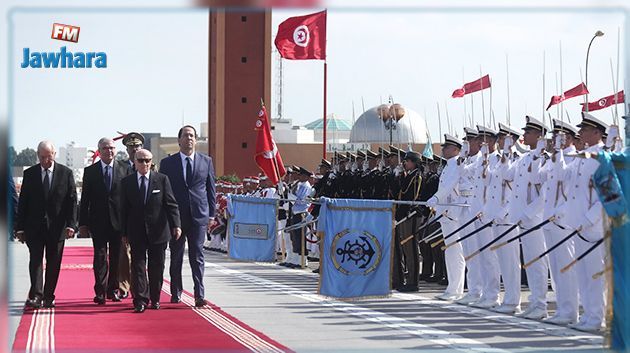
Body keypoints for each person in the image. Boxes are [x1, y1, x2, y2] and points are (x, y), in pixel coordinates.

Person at [556, 112, 608, 332]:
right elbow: (561, 176)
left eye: (585, 130)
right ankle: (588, 314)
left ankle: (597, 317)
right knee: (583, 273)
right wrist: (558, 152)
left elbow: (608, 194)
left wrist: (589, 219)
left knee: (595, 274)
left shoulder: (602, 158)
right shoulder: (582, 157)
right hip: (577, 225)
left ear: (597, 133)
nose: (580, 133)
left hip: (593, 227)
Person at [15, 141, 77, 309]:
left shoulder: (66, 173)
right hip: (34, 227)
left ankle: (49, 295)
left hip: (57, 228)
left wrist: (71, 224)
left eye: (48, 157)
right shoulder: (30, 174)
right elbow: (23, 203)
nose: (45, 161)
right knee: (35, 261)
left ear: (54, 154)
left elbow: (72, 201)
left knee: (54, 262)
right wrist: (19, 227)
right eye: (42, 157)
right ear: (38, 156)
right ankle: (36, 295)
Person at [159, 125, 216, 308]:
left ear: (196, 140)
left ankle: (199, 294)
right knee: (176, 255)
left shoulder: (206, 161)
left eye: (192, 136)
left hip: (199, 216)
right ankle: (176, 292)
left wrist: (212, 214)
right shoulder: (168, 163)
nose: (189, 139)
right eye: (185, 135)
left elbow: (210, 190)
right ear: (179, 140)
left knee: (197, 256)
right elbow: (164, 192)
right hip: (176, 218)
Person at [121, 149, 181, 313]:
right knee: (138, 266)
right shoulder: (127, 182)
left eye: (148, 160)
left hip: (158, 230)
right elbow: (123, 209)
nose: (144, 164)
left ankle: (154, 298)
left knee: (156, 267)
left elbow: (171, 204)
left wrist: (176, 225)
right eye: (141, 160)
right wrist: (123, 233)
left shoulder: (161, 180)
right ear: (135, 161)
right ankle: (140, 299)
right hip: (136, 231)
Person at [503, 116, 549, 320]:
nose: (524, 135)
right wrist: (505, 151)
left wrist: (529, 213)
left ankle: (541, 304)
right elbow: (506, 174)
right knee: (529, 261)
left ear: (539, 136)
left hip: (534, 218)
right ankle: (534, 301)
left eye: (528, 133)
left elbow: (544, 192)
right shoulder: (524, 158)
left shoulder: (545, 158)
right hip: (522, 217)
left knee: (537, 260)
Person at [79, 137, 129, 304]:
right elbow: (85, 199)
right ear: (99, 151)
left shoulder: (125, 169)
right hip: (98, 221)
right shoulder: (90, 171)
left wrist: (128, 224)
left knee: (116, 257)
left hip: (118, 222)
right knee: (100, 257)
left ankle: (112, 289)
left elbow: (128, 199)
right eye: (106, 148)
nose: (109, 151)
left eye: (112, 148)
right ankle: (100, 291)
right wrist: (83, 224)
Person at [428, 134, 465, 300]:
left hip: (453, 214)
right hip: (445, 213)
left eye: (446, 147)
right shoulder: (448, 165)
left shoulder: (457, 164)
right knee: (450, 252)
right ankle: (452, 287)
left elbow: (450, 187)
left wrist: (436, 199)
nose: (443, 149)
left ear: (456, 150)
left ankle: (456, 289)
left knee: (455, 252)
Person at [117, 132, 144, 299]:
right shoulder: (119, 166)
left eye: (137, 146)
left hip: (143, 217)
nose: (134, 149)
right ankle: (124, 286)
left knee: (140, 256)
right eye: (131, 147)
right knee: (124, 254)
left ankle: (139, 285)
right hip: (125, 216)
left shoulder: (149, 164)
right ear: (127, 149)